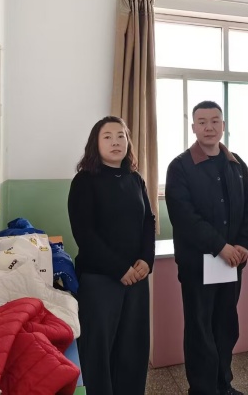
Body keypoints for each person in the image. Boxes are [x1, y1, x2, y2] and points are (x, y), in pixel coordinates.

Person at [165, 100, 248, 395]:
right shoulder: (180, 167)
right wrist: (220, 246)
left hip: (231, 264)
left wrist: (243, 244)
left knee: (226, 327)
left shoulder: (236, 164)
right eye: (202, 122)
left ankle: (224, 385)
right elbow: (184, 217)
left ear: (223, 125)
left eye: (215, 121)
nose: (209, 127)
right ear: (193, 127)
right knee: (200, 330)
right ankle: (203, 390)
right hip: (198, 265)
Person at [68, 116, 155, 395]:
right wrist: (119, 269)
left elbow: (148, 222)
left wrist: (147, 260)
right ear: (95, 142)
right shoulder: (84, 181)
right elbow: (85, 234)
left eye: (121, 136)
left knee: (133, 348)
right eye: (107, 136)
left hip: (136, 278)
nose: (115, 142)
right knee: (98, 351)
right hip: (100, 279)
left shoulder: (135, 179)